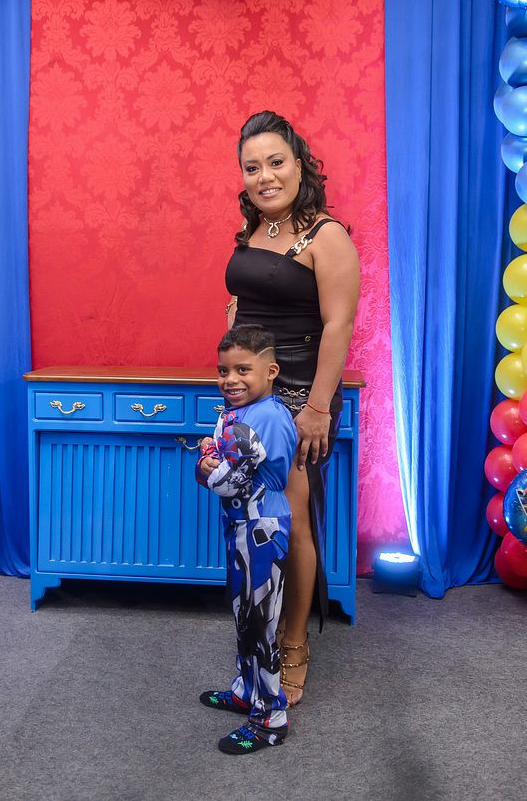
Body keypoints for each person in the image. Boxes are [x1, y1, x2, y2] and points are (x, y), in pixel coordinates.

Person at [199, 111, 360, 707]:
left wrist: (316, 408)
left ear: (299, 165)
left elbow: (339, 325)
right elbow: (246, 297)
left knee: (289, 521)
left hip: (299, 394)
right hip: (252, 390)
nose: (264, 176)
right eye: (252, 167)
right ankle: (255, 649)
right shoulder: (254, 231)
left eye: (275, 162)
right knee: (251, 523)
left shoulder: (326, 236)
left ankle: (293, 647)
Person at [195, 324, 297, 754]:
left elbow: (225, 480)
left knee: (260, 624)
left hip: (261, 528)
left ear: (270, 371)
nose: (230, 379)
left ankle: (270, 717)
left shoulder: (266, 416)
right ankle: (246, 690)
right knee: (244, 615)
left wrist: (206, 459)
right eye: (223, 371)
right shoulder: (242, 412)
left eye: (242, 370)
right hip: (241, 525)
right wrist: (212, 458)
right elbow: (224, 464)